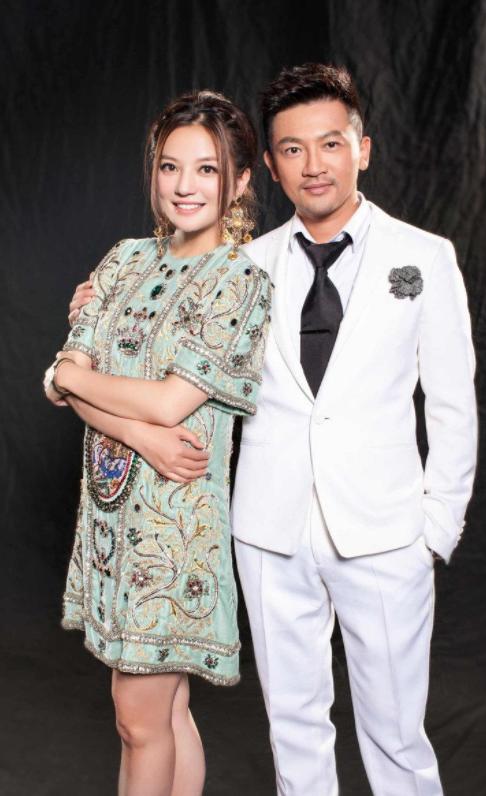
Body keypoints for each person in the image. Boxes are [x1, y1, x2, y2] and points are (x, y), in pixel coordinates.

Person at [69, 63, 478, 796]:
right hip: (268, 531)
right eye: (293, 149)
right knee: (292, 726)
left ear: (363, 150)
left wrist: (434, 531)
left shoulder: (423, 257)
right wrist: (98, 300)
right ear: (271, 165)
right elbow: (155, 326)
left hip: (386, 533)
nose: (313, 164)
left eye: (330, 144)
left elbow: (452, 405)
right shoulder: (241, 266)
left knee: (395, 734)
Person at [44, 90, 271, 796]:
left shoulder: (240, 281)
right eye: (170, 166)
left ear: (239, 181)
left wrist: (77, 382)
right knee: (164, 714)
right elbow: (60, 375)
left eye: (207, 170)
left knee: (139, 718)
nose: (183, 186)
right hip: (111, 524)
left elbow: (172, 400)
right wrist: (137, 431)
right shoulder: (124, 260)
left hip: (174, 531)